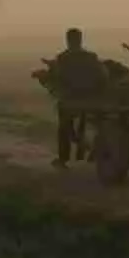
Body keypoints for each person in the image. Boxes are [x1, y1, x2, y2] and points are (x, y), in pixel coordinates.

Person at [47, 27, 108, 168]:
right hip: (94, 98)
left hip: (72, 100)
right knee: (101, 123)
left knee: (63, 125)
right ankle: (94, 150)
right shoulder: (91, 57)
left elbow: (57, 79)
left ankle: (63, 158)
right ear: (80, 40)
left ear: (67, 41)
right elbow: (103, 76)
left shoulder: (62, 58)